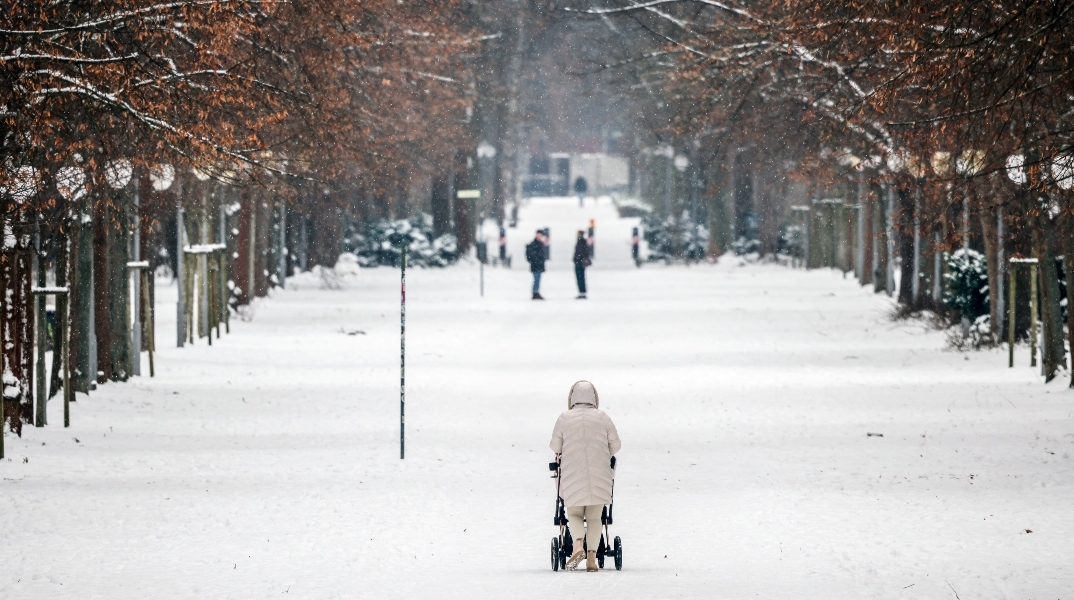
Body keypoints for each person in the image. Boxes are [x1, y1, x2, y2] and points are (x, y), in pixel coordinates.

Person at [550, 381, 621, 572]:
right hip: (600, 475)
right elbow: (616, 447)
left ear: (572, 398)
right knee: (595, 517)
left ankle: (578, 545)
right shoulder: (603, 418)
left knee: (573, 514)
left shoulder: (564, 418)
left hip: (572, 475)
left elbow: (555, 447)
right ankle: (591, 558)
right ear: (595, 398)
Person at [525, 230, 546, 300]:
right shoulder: (533, 244)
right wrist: (536, 260)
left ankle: (536, 292)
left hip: (539, 265)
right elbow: (530, 255)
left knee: (538, 279)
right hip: (535, 265)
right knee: (536, 279)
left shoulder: (541, 244)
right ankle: (535, 292)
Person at [572, 230, 590, 299]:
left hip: (580, 263)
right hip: (578, 262)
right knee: (579, 278)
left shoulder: (582, 241)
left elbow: (584, 252)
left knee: (581, 278)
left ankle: (582, 292)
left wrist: (580, 259)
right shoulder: (580, 241)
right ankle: (581, 292)